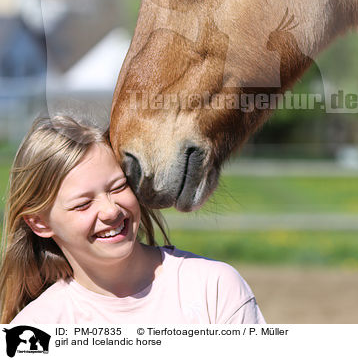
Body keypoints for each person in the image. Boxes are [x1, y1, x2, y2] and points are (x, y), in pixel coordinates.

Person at [0, 114, 265, 324]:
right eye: (83, 204)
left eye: (117, 187)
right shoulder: (37, 329)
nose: (110, 211)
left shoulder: (214, 289)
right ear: (39, 223)